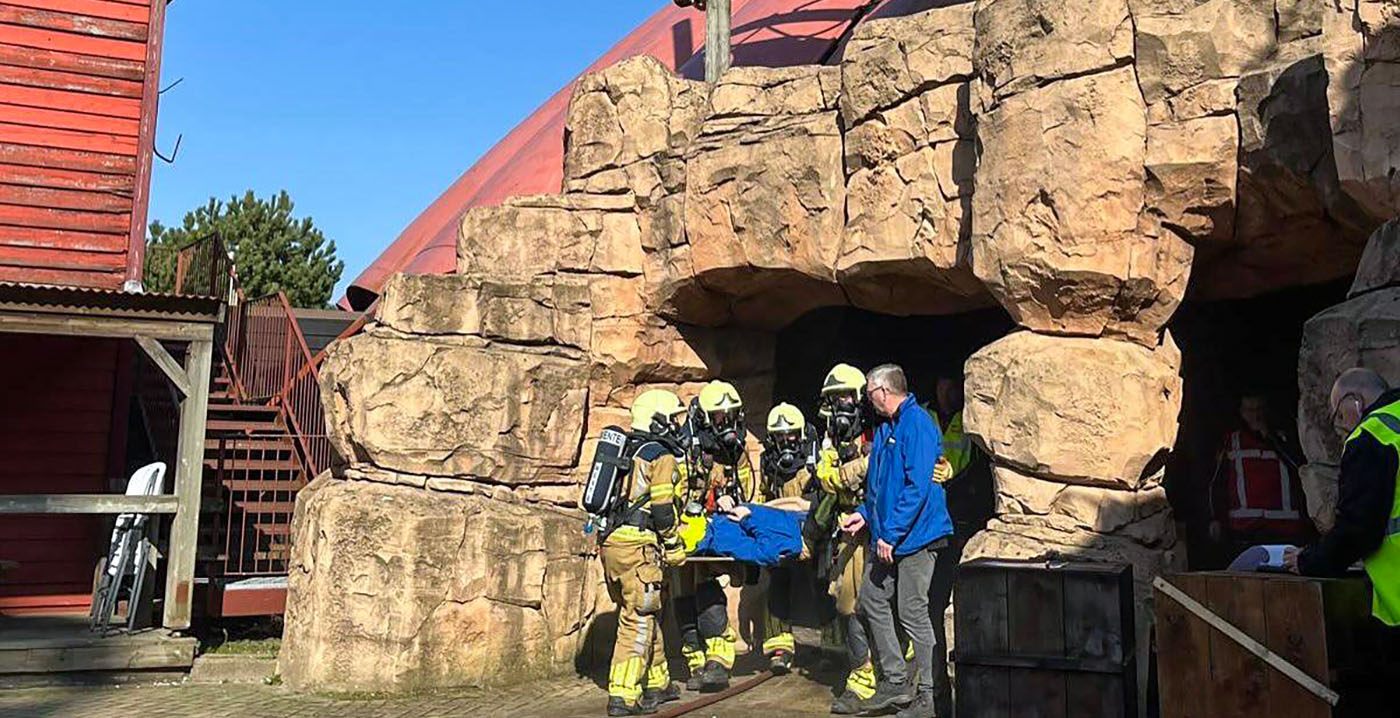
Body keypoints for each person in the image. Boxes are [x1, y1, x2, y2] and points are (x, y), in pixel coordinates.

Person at [840, 364, 953, 718]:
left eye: (870, 393)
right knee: (872, 600)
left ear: (883, 391)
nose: (867, 401)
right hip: (891, 534)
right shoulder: (886, 427)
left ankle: (931, 697)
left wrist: (888, 533)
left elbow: (917, 487)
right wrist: (866, 514)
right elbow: (881, 487)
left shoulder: (917, 424)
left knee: (913, 611)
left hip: (918, 537)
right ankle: (895, 682)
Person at [1286, 369, 1400, 627]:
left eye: (1338, 414)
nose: (1342, 427)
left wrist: (1309, 561)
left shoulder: (1371, 435)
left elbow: (1359, 527)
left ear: (1354, 401)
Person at [599, 389, 688, 716]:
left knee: (648, 612)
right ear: (658, 421)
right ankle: (622, 694)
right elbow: (663, 509)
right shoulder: (659, 455)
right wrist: (675, 544)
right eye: (673, 419)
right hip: (639, 548)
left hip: (612, 546)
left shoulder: (626, 449)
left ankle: (657, 684)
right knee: (637, 620)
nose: (677, 426)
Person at [671, 380, 760, 692]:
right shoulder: (686, 449)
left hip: (717, 534)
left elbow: (750, 492)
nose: (727, 422)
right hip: (687, 531)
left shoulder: (735, 452)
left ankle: (718, 661)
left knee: (707, 587)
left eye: (730, 414)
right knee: (682, 595)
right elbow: (675, 493)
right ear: (706, 418)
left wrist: (733, 504)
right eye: (720, 416)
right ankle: (695, 662)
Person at [813, 363, 881, 714]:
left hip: (884, 533)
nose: (841, 404)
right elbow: (827, 479)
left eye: (846, 396)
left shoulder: (881, 430)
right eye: (834, 398)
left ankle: (894, 673)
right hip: (850, 537)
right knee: (848, 606)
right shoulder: (829, 442)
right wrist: (862, 466)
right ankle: (862, 679)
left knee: (889, 606)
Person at [925, 374, 991, 716]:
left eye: (952, 385)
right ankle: (937, 695)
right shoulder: (924, 415)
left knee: (965, 609)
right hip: (932, 523)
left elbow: (981, 471)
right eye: (942, 384)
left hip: (962, 519)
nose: (946, 390)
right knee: (931, 606)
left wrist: (955, 476)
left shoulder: (969, 421)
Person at [1210, 393, 1313, 555]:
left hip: (1285, 530)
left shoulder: (1284, 437)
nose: (1255, 415)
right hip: (1245, 530)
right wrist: (1216, 518)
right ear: (1241, 412)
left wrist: (1271, 439)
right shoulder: (1231, 441)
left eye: (1259, 409)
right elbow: (1217, 483)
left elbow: (1299, 469)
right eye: (1249, 410)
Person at [757, 403, 817, 674]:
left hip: (812, 532)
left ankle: (831, 650)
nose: (785, 442)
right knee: (777, 583)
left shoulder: (817, 457)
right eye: (779, 437)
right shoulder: (768, 463)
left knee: (823, 585)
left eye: (790, 435)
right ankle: (779, 649)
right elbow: (763, 496)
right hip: (781, 535)